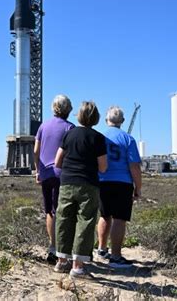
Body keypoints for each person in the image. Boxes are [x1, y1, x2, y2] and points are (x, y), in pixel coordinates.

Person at [53, 101, 108, 278]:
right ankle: (77, 267)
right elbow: (103, 167)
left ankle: (61, 261)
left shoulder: (69, 134)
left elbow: (57, 161)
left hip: (67, 182)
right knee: (85, 221)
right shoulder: (97, 138)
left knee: (64, 219)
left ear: (79, 115)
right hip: (88, 183)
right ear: (96, 118)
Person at [95, 106, 142, 268]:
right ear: (122, 121)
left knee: (104, 215)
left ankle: (101, 249)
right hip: (123, 183)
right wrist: (138, 187)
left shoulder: (100, 137)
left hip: (102, 181)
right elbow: (134, 166)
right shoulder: (128, 139)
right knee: (119, 219)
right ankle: (115, 256)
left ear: (106, 120)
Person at [34, 95, 75, 263]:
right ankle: (63, 250)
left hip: (46, 173)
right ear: (69, 109)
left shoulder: (43, 126)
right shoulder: (70, 128)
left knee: (50, 211)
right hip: (62, 174)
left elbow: (36, 151)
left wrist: (38, 170)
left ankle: (52, 247)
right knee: (63, 212)